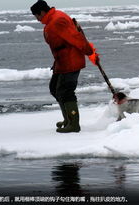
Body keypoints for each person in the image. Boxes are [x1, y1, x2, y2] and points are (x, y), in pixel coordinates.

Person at [31, 0, 98, 133]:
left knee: (66, 92)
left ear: (42, 12)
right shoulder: (52, 19)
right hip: (62, 62)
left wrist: (90, 52)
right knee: (55, 89)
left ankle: (74, 124)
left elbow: (76, 38)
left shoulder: (57, 20)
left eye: (37, 16)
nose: (37, 19)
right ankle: (68, 119)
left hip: (71, 61)